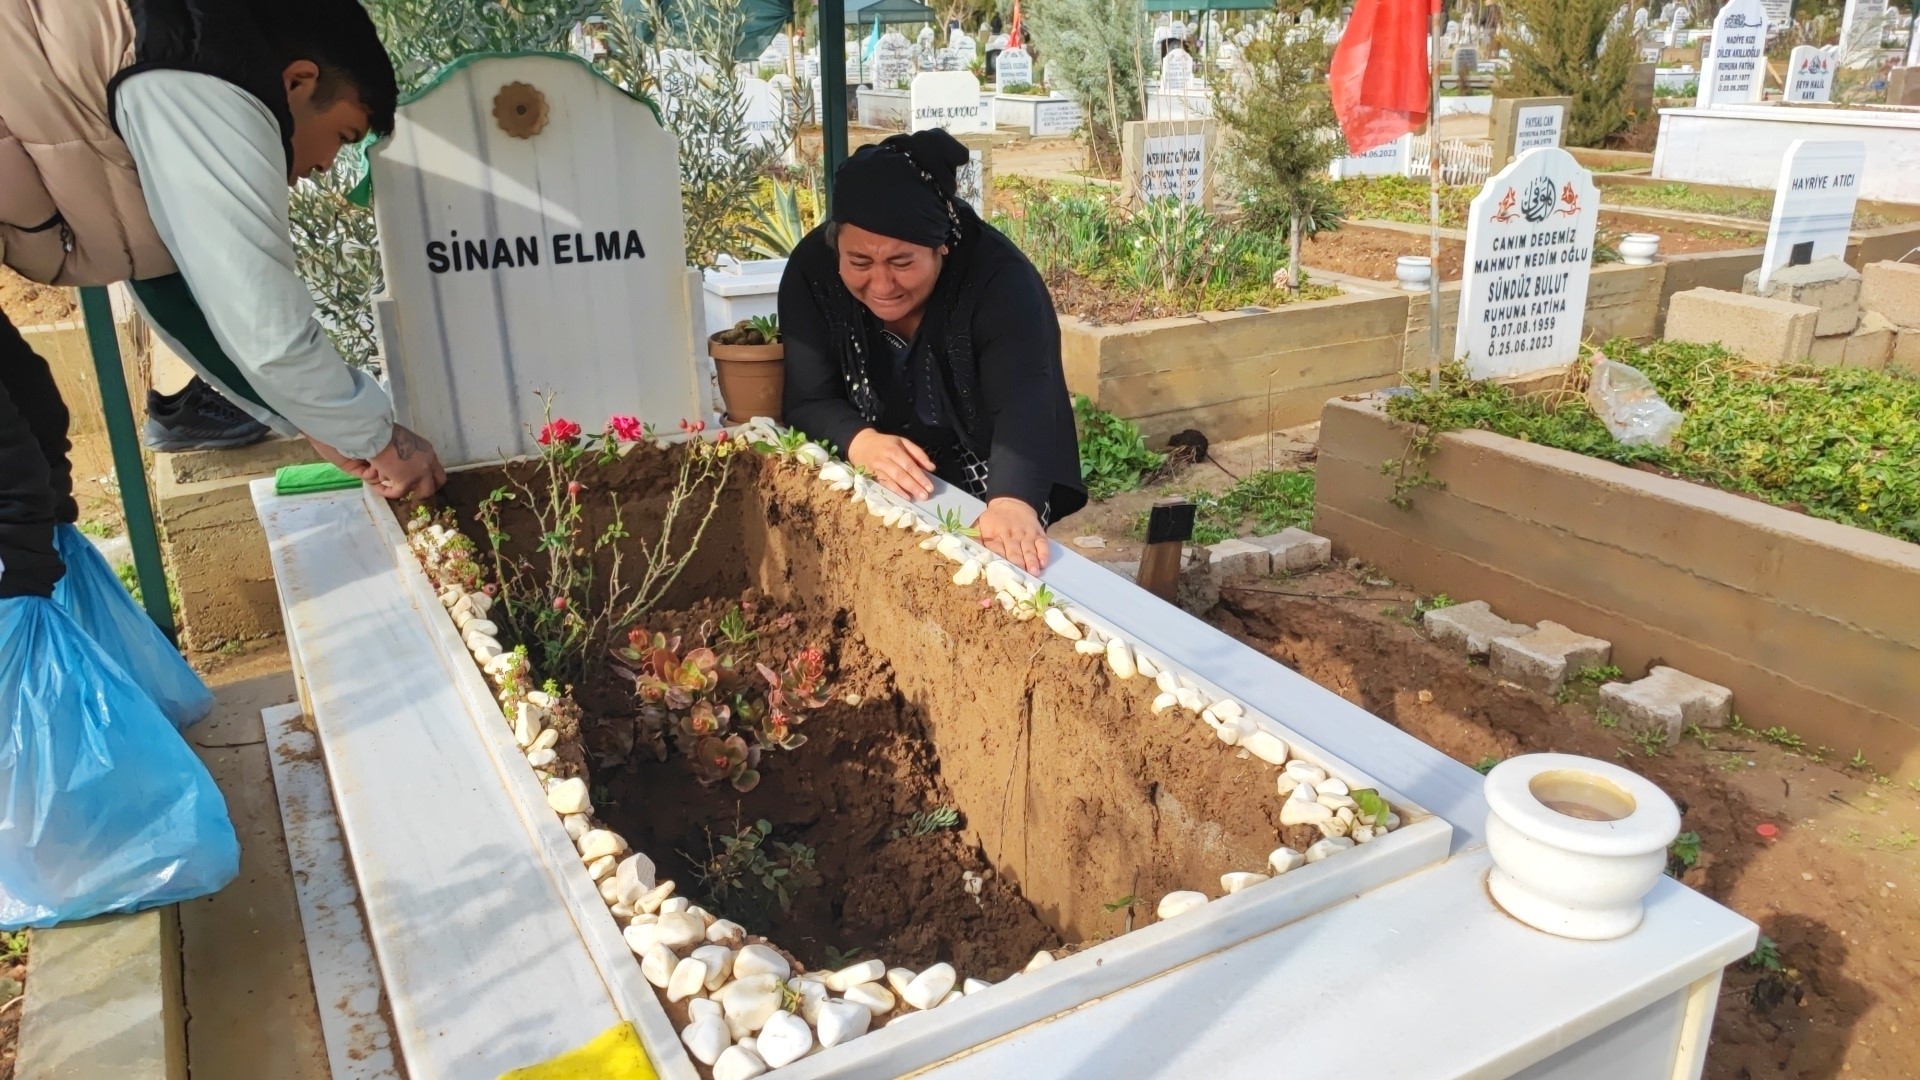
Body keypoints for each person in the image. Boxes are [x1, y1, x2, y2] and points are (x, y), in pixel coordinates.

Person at [1, 0, 447, 605]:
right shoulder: (207, 72)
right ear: (296, 81)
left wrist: (322, 425)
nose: (322, 167)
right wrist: (375, 437)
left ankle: (50, 669)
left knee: (34, 454)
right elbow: (262, 325)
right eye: (341, 137)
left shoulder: (173, 53)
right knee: (13, 502)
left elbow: (179, 288)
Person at [780, 130, 1085, 574]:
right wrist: (859, 440)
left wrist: (1013, 502)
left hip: (985, 450)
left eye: (903, 263)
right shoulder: (812, 270)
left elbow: (1023, 405)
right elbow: (808, 396)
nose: (881, 286)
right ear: (836, 244)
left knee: (996, 565)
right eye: (859, 263)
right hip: (879, 439)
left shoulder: (1002, 282)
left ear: (941, 243)